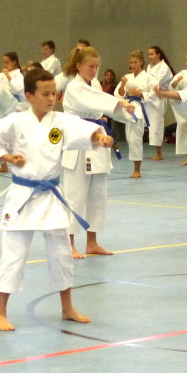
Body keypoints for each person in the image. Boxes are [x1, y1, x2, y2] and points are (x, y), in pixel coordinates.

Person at [0, 67, 117, 332]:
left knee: (62, 254)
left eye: (54, 93)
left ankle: (67, 308)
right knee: (13, 254)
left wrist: (100, 137)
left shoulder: (60, 120)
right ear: (29, 95)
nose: (51, 98)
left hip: (51, 195)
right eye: (45, 94)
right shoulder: (15, 121)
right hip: (23, 195)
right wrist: (8, 158)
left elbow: (83, 130)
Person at [60, 45, 134, 259]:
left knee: (97, 195)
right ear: (78, 66)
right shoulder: (74, 86)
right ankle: (69, 243)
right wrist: (118, 101)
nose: (94, 71)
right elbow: (93, 100)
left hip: (98, 139)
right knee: (75, 196)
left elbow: (102, 106)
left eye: (97, 67)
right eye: (90, 66)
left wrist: (127, 110)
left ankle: (92, 242)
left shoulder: (94, 84)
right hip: (78, 140)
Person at [117, 50, 151, 177]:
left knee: (135, 139)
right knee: (130, 139)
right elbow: (120, 94)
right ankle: (135, 168)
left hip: (140, 108)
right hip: (129, 107)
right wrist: (123, 83)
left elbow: (154, 93)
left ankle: (137, 170)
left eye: (135, 62)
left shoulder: (148, 77)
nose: (133, 65)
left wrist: (140, 94)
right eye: (131, 62)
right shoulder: (127, 77)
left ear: (141, 62)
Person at [144, 45, 173, 162]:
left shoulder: (164, 67)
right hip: (149, 97)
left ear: (158, 54)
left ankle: (159, 153)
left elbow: (156, 82)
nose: (150, 56)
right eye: (149, 54)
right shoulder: (149, 67)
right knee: (149, 125)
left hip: (159, 98)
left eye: (152, 54)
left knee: (156, 125)